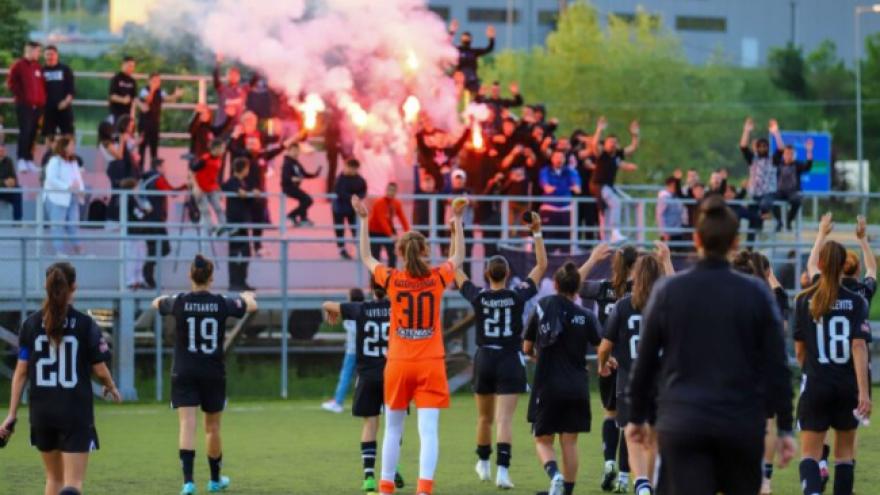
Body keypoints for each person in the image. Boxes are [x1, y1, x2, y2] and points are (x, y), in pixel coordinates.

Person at [626, 196, 796, 495]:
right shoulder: (756, 292)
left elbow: (646, 360)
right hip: (740, 422)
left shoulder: (670, 290)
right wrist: (784, 426)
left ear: (696, 239)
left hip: (683, 420)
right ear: (735, 242)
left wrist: (638, 415)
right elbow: (777, 364)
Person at [353, 194, 467, 495]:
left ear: (400, 252)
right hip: (430, 363)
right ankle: (423, 489)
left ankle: (386, 486)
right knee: (428, 431)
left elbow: (366, 256)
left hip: (399, 364)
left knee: (392, 429)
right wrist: (457, 221)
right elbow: (458, 259)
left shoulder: (393, 279)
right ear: (426, 251)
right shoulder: (436, 278)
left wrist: (364, 221)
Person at [0, 262, 122, 495]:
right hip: (74, 411)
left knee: (53, 480)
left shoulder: (31, 324)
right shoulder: (85, 324)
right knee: (73, 484)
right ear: (74, 286)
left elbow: (21, 372)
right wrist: (110, 385)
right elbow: (100, 369)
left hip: (42, 413)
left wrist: (11, 415)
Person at [454, 212, 546, 489]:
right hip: (509, 358)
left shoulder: (479, 296)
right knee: (504, 419)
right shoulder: (517, 294)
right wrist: (537, 231)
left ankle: (482, 462)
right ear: (507, 274)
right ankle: (502, 471)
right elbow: (541, 265)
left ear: (486, 274)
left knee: (484, 417)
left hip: (484, 358)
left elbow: (454, 267)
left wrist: (457, 227)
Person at [153, 255, 257, 495]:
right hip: (212, 372)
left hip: (184, 371)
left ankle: (188, 482)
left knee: (187, 426)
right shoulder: (221, 302)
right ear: (212, 278)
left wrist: (168, 299)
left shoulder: (179, 302)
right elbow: (250, 306)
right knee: (212, 428)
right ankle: (214, 479)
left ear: (190, 276)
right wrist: (247, 297)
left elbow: (156, 303)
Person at [794, 238, 871, 495]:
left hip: (816, 383)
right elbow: (859, 347)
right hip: (847, 386)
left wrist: (811, 370)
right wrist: (863, 392)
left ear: (820, 263)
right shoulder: (857, 301)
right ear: (842, 266)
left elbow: (799, 350)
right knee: (845, 456)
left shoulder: (804, 299)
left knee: (810, 456)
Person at [597, 247, 671, 495]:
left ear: (637, 277)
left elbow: (604, 346)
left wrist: (602, 363)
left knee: (632, 433)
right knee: (654, 437)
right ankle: (648, 483)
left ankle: (642, 484)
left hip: (630, 381)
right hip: (661, 382)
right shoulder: (668, 306)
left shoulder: (623, 305)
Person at [522, 262, 602, 495]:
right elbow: (602, 347)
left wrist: (538, 356)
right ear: (578, 289)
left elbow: (527, 347)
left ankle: (554, 475)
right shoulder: (586, 316)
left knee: (543, 439)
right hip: (577, 386)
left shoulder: (542, 306)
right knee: (570, 442)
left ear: (555, 284)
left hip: (548, 385)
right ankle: (566, 491)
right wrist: (608, 362)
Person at [322, 282, 406, 493]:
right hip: (393, 373)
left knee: (370, 423)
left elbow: (328, 303)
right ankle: (392, 468)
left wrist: (330, 311)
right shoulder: (398, 307)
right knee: (393, 426)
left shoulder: (361, 308)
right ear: (389, 290)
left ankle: (368, 476)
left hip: (367, 375)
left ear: (371, 290)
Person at [731, 249, 790, 495]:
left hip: (736, 369)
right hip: (764, 368)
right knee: (766, 423)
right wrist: (770, 274)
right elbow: (782, 326)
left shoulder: (732, 295)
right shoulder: (771, 297)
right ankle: (764, 479)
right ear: (765, 272)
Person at [577, 243, 634, 492]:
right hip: (630, 362)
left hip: (606, 360)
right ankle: (623, 476)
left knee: (610, 415)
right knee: (629, 422)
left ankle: (609, 461)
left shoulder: (602, 287)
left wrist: (591, 260)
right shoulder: (641, 291)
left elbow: (574, 285)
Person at [588, 117, 639, 243]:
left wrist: (635, 135)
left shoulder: (617, 154)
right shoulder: (602, 154)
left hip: (609, 187)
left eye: (615, 142)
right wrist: (599, 130)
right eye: (610, 142)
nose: (612, 144)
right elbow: (594, 145)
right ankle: (615, 231)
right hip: (598, 185)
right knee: (616, 202)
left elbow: (632, 148)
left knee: (608, 212)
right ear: (605, 144)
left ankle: (607, 240)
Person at [321, 288, 365, 414]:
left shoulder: (350, 311)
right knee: (365, 377)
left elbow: (331, 313)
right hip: (365, 350)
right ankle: (365, 402)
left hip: (353, 351)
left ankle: (338, 402)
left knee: (345, 376)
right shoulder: (366, 309)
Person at [739, 117, 784, 241]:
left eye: (765, 146)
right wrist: (746, 130)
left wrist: (776, 132)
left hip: (768, 192)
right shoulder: (753, 159)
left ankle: (769, 220)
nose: (762, 148)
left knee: (765, 204)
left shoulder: (773, 160)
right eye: (760, 147)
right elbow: (743, 147)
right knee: (752, 222)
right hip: (755, 193)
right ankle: (749, 248)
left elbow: (781, 149)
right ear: (757, 148)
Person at [141, 158, 183, 289]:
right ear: (158, 167)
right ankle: (148, 276)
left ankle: (149, 278)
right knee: (163, 248)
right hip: (156, 220)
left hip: (149, 219)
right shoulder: (158, 179)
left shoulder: (147, 180)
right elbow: (172, 192)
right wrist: (186, 186)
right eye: (164, 167)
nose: (165, 170)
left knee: (154, 249)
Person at [6, 41, 46, 173]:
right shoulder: (18, 65)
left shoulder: (37, 67)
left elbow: (41, 85)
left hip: (37, 106)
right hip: (24, 105)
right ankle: (21, 159)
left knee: (33, 133)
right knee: (25, 131)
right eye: (37, 51)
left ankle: (29, 159)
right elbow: (11, 83)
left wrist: (41, 100)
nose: (39, 54)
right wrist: (22, 97)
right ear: (29, 50)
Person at [44, 136, 85, 255]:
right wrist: (67, 187)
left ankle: (79, 249)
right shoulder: (54, 161)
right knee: (58, 225)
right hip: (57, 198)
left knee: (73, 224)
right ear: (64, 147)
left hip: (73, 197)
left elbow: (78, 178)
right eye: (71, 145)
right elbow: (51, 179)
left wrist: (81, 190)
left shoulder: (73, 162)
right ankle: (59, 250)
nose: (74, 147)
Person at [222, 158, 256, 291]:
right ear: (243, 169)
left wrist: (252, 194)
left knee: (246, 253)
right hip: (234, 223)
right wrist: (248, 194)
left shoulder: (243, 183)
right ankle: (234, 283)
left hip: (242, 222)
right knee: (235, 252)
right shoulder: (232, 181)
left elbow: (246, 198)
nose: (248, 170)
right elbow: (230, 189)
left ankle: (242, 282)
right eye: (247, 168)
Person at [137, 73, 184, 170]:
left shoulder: (160, 91)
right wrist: (152, 90)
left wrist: (176, 95)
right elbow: (148, 100)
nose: (157, 83)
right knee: (142, 148)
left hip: (155, 123)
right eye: (154, 81)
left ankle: (153, 171)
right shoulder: (144, 91)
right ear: (149, 81)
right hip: (144, 124)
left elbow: (168, 98)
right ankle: (139, 171)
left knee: (154, 150)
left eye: (158, 81)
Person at [538, 149, 581, 252]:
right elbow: (547, 188)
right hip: (549, 208)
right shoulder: (545, 171)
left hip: (566, 209)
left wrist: (557, 187)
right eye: (556, 157)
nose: (559, 160)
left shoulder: (570, 171)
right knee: (549, 240)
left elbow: (577, 189)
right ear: (552, 159)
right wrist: (567, 187)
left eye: (561, 158)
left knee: (566, 241)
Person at [774, 138, 813, 231]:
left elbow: (808, 166)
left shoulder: (797, 164)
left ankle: (788, 220)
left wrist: (809, 150)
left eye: (791, 154)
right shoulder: (778, 163)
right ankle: (779, 221)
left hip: (793, 191)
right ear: (783, 154)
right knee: (771, 200)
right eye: (786, 153)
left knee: (797, 200)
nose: (788, 156)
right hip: (780, 191)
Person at [368, 182, 410, 268]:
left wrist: (408, 233)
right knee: (375, 256)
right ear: (386, 190)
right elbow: (381, 220)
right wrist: (391, 234)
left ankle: (392, 276)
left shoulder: (396, 203)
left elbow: (402, 218)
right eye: (389, 190)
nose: (391, 192)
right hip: (374, 231)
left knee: (392, 254)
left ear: (396, 192)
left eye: (393, 190)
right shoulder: (379, 203)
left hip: (387, 229)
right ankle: (375, 279)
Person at [191, 138, 228, 235]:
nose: (223, 150)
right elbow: (192, 171)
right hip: (201, 189)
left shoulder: (219, 160)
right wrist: (195, 187)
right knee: (205, 210)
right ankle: (210, 229)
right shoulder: (205, 159)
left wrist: (217, 186)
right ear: (216, 148)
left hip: (211, 188)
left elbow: (213, 174)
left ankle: (224, 226)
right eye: (222, 148)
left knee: (219, 208)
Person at [448, 21, 495, 95]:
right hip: (459, 79)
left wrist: (491, 38)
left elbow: (489, 49)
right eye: (464, 37)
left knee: (479, 94)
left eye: (468, 38)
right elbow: (447, 44)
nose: (466, 39)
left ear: (471, 40)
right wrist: (452, 31)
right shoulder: (458, 50)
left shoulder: (474, 52)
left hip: (472, 80)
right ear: (461, 39)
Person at [334, 159, 368, 259]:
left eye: (354, 169)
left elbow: (363, 191)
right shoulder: (340, 179)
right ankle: (341, 249)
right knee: (340, 229)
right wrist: (352, 198)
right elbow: (339, 191)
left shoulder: (360, 180)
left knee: (354, 229)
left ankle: (358, 249)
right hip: (339, 208)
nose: (352, 171)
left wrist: (357, 198)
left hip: (353, 209)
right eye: (350, 168)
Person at [281, 142, 321, 226]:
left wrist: (315, 174)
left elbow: (304, 174)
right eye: (293, 150)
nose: (296, 152)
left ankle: (302, 218)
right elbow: (285, 176)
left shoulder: (296, 163)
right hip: (288, 188)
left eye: (297, 150)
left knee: (304, 200)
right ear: (288, 151)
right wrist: (292, 178)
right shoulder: (287, 162)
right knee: (308, 200)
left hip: (294, 187)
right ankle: (292, 215)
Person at [41, 45, 75, 142]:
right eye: (47, 54)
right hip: (47, 108)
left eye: (52, 54)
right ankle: (50, 155)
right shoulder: (41, 70)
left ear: (57, 55)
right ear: (44, 56)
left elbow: (71, 89)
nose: (50, 57)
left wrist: (66, 102)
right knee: (49, 135)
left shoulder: (65, 69)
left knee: (68, 134)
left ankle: (68, 155)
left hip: (64, 106)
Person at [656, 176, 686, 247]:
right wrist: (664, 232)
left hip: (677, 231)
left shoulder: (676, 196)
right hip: (668, 232)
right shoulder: (664, 197)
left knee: (678, 254)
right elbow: (660, 215)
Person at [108, 56, 137, 123]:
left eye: (133, 66)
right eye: (129, 66)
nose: (131, 68)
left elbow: (134, 100)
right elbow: (112, 96)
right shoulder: (116, 78)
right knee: (117, 132)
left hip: (127, 115)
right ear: (123, 65)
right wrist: (122, 100)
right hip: (116, 114)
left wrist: (132, 117)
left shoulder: (132, 81)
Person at [0, 143, 23, 221]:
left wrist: (12, 181)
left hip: (7, 189)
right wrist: (4, 182)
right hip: (3, 186)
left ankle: (17, 221)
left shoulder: (9, 161)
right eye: (0, 150)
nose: (2, 152)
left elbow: (13, 177)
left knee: (17, 191)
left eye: (3, 150)